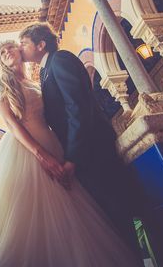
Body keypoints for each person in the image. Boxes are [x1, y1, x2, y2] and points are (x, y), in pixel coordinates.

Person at [0, 39, 140, 267]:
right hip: (25, 150)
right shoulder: (2, 84)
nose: (5, 52)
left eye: (9, 47)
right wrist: (41, 155)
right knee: (26, 215)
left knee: (70, 207)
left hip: (53, 144)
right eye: (1, 52)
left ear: (19, 51)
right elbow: (13, 125)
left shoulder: (36, 80)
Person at [19, 22, 140, 256]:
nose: (20, 48)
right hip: (84, 152)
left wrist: (73, 157)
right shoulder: (45, 69)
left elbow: (78, 109)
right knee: (104, 219)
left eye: (24, 43)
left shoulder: (60, 59)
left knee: (115, 214)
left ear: (41, 45)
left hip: (93, 152)